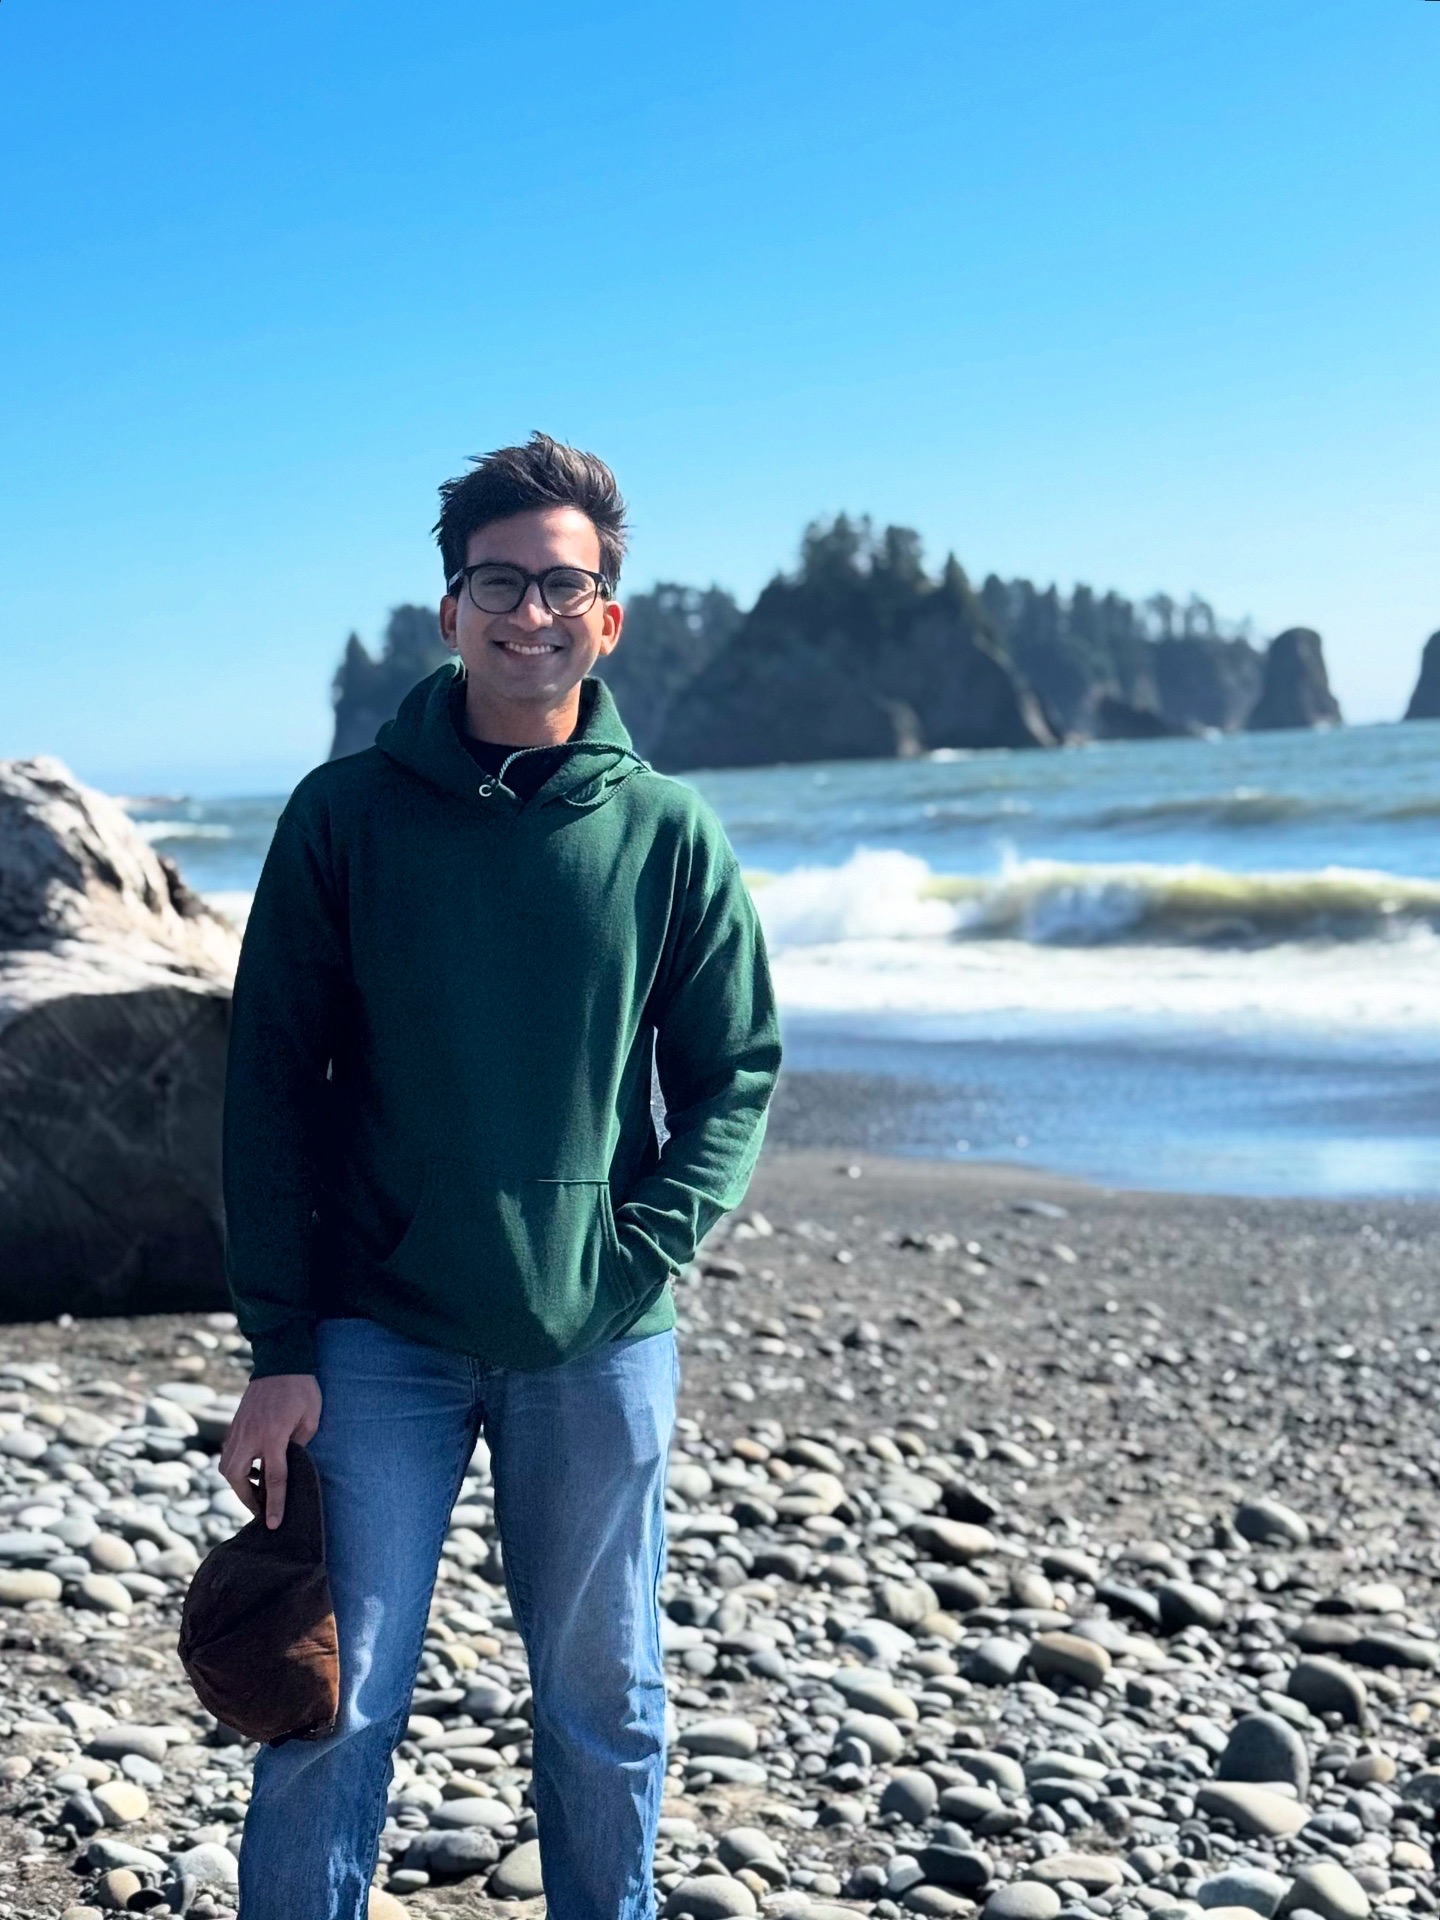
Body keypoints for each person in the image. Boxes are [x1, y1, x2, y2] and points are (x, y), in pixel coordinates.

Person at [217, 433, 783, 1920]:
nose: (530, 611)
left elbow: (736, 1075)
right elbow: (268, 1085)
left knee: (609, 1711)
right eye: (498, 582)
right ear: (449, 608)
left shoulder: (669, 835)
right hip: (376, 1336)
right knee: (327, 1702)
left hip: (598, 1338)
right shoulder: (341, 819)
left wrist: (641, 1247)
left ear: (610, 616)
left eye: (562, 585)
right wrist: (278, 1351)